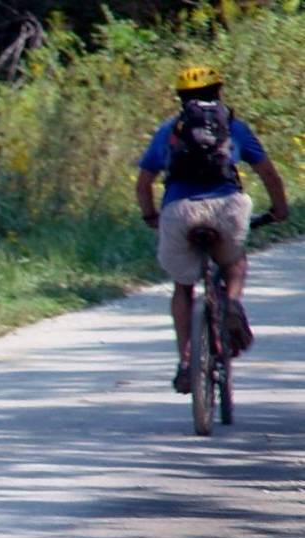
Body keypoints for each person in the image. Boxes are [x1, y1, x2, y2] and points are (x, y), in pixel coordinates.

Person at [136, 65, 289, 393]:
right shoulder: (234, 127)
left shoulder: (169, 130)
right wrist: (279, 209)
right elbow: (269, 174)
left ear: (182, 99)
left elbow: (144, 181)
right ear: (218, 93)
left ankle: (187, 361)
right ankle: (231, 300)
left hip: (179, 212)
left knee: (182, 287)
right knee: (235, 262)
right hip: (226, 210)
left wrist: (151, 215)